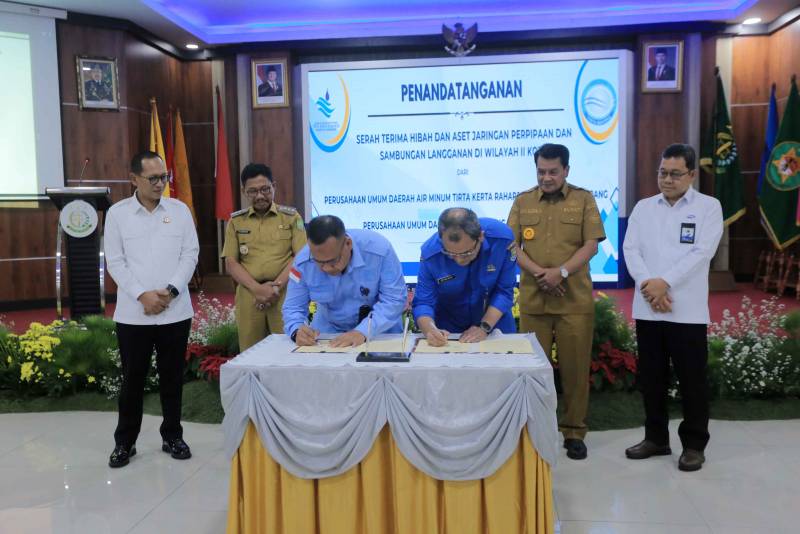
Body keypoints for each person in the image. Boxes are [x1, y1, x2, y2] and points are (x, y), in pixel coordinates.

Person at [623, 143, 723, 472]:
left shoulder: (709, 207)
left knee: (692, 381)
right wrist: (649, 285)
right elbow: (631, 249)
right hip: (648, 308)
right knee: (652, 380)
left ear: (691, 175)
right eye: (663, 173)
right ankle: (656, 439)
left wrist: (664, 282)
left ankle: (694, 445)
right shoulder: (643, 208)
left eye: (675, 174)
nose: (667, 179)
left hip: (687, 312)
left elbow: (702, 253)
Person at [507, 143, 605, 460]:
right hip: (535, 300)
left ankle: (574, 432)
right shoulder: (522, 201)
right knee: (533, 369)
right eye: (541, 171)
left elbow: (591, 245)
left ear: (566, 170)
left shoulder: (583, 199)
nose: (546, 178)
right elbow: (512, 246)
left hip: (573, 301)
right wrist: (542, 274)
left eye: (553, 171)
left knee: (575, 371)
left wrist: (560, 273)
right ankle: (535, 428)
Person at [104, 150, 199, 468]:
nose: (161, 183)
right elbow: (115, 261)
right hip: (134, 315)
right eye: (153, 178)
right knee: (132, 379)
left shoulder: (179, 211)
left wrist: (170, 291)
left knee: (173, 378)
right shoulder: (118, 214)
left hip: (175, 311)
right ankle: (125, 442)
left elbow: (190, 253)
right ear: (134, 179)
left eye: (164, 177)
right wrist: (141, 295)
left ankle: (172, 435)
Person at [282, 215, 407, 347]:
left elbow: (394, 299)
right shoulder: (303, 262)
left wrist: (362, 331)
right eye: (319, 262)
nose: (326, 268)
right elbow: (293, 307)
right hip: (329, 334)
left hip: (379, 332)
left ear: (348, 244)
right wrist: (296, 330)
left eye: (332, 261)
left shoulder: (379, 251)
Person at [221, 163, 306, 352]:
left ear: (273, 186)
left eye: (265, 189)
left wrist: (274, 288)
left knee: (288, 349)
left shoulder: (292, 217)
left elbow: (300, 257)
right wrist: (257, 289)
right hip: (250, 294)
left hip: (284, 293)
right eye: (253, 191)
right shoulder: (236, 221)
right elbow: (231, 262)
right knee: (250, 352)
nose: (260, 196)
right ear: (244, 192)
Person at [412, 208, 517, 345]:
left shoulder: (501, 240)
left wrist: (484, 327)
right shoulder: (431, 253)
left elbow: (504, 291)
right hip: (449, 329)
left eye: (466, 253)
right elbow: (423, 302)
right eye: (450, 253)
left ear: (480, 237)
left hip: (494, 323)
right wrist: (430, 330)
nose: (459, 260)